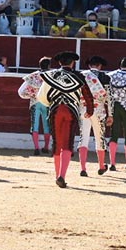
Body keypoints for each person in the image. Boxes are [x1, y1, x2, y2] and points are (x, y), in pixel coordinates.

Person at [37, 51, 93, 188]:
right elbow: (88, 95)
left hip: (55, 110)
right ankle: (62, 175)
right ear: (72, 63)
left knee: (57, 143)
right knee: (67, 143)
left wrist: (50, 103)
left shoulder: (51, 75)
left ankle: (57, 175)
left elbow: (41, 97)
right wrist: (90, 110)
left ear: (59, 63)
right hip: (71, 111)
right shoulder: (78, 76)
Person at [78, 56, 111, 176]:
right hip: (99, 111)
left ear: (89, 65)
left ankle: (83, 168)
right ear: (100, 66)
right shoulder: (105, 77)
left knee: (84, 137)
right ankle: (101, 166)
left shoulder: (81, 75)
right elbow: (109, 98)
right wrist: (110, 114)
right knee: (99, 138)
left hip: (84, 109)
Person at [17, 57, 53, 156]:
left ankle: (36, 148)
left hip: (35, 102)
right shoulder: (52, 76)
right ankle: (46, 147)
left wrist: (31, 95)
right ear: (49, 65)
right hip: (46, 103)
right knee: (47, 125)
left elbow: (21, 92)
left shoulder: (33, 76)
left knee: (35, 125)